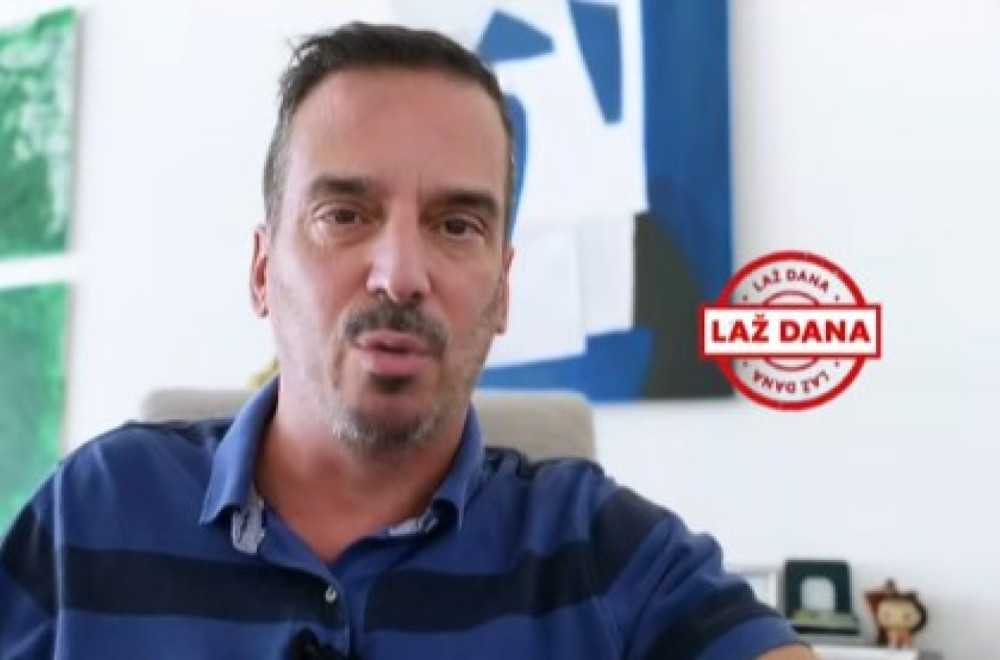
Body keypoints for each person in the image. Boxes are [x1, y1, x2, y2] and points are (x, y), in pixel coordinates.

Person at [0, 22, 815, 659]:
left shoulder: (606, 552)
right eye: (344, 215)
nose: (400, 275)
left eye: (456, 225)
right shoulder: (90, 512)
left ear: (503, 290)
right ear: (261, 270)